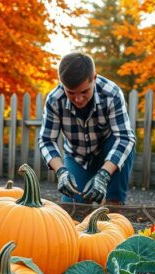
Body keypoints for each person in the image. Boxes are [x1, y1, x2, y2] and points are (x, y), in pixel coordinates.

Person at [38, 52, 136, 204]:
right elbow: (46, 140)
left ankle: (113, 203)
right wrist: (61, 172)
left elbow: (125, 138)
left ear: (94, 78)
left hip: (107, 153)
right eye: (71, 93)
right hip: (77, 157)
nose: (78, 99)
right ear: (62, 84)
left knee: (125, 143)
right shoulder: (54, 100)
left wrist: (104, 175)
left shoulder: (111, 93)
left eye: (84, 91)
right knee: (73, 207)